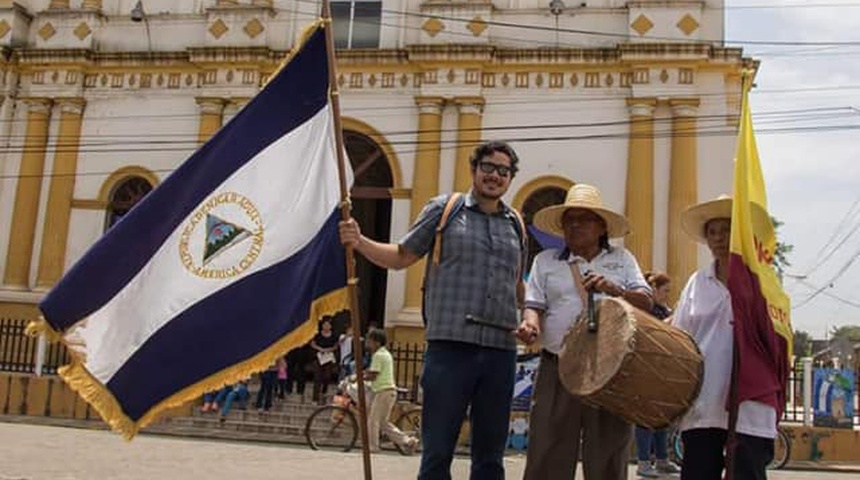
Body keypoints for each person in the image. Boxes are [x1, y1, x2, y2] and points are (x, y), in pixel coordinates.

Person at [340, 141, 526, 479]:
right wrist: (360, 241)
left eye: (503, 171)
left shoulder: (516, 224)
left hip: (501, 351)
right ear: (473, 169)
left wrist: (530, 319)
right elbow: (402, 255)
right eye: (488, 167)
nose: (495, 176)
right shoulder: (446, 210)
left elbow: (517, 288)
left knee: (490, 457)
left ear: (510, 178)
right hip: (450, 348)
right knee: (438, 452)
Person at [517, 183, 653, 480]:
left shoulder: (623, 260)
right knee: (547, 447)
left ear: (602, 226)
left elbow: (646, 301)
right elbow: (534, 304)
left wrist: (614, 288)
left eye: (584, 219)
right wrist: (530, 324)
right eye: (569, 220)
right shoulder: (545, 261)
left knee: (608, 451)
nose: (575, 225)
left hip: (611, 370)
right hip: (558, 365)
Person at [674, 196, 776, 480]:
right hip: (704, 401)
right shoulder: (696, 283)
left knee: (747, 472)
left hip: (750, 402)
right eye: (712, 232)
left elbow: (775, 337)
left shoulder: (762, 280)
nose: (719, 238)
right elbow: (681, 338)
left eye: (727, 230)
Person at [635, 271, 681, 478]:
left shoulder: (664, 309)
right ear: (653, 289)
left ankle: (662, 459)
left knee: (662, 417)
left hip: (663, 368)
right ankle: (644, 461)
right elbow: (656, 331)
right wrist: (676, 316)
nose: (666, 295)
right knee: (645, 417)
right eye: (664, 291)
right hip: (647, 367)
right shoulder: (648, 310)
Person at [364, 327, 419, 454]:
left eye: (370, 341)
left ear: (377, 342)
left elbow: (373, 375)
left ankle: (373, 447)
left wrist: (357, 378)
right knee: (383, 423)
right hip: (387, 392)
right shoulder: (385, 353)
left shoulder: (378, 355)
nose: (368, 344)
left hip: (383, 391)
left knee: (373, 420)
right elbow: (373, 372)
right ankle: (408, 441)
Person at [310, 319, 339, 404]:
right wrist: (320, 349)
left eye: (328, 325)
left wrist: (328, 349)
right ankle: (315, 398)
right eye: (324, 325)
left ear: (331, 326)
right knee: (317, 378)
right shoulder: (317, 335)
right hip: (319, 357)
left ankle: (324, 390)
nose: (326, 326)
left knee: (327, 376)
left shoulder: (334, 336)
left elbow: (336, 346)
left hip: (329, 357)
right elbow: (312, 344)